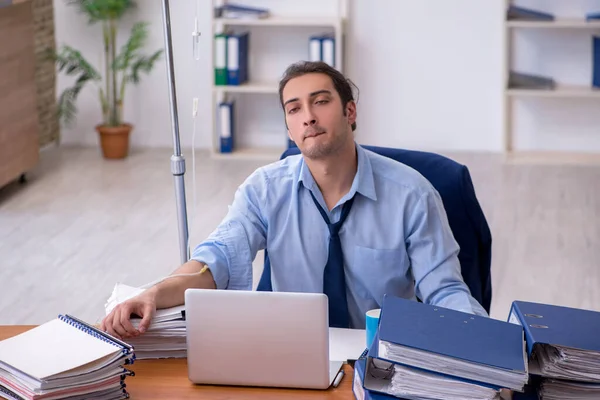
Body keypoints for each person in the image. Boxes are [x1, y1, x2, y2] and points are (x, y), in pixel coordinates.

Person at [101, 60, 488, 340]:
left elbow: (444, 290)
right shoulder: (264, 189)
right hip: (289, 349)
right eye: (294, 108)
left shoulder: (413, 194)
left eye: (321, 101)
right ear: (288, 127)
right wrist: (152, 292)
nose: (308, 116)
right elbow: (214, 262)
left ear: (350, 111)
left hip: (379, 354)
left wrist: (484, 345)